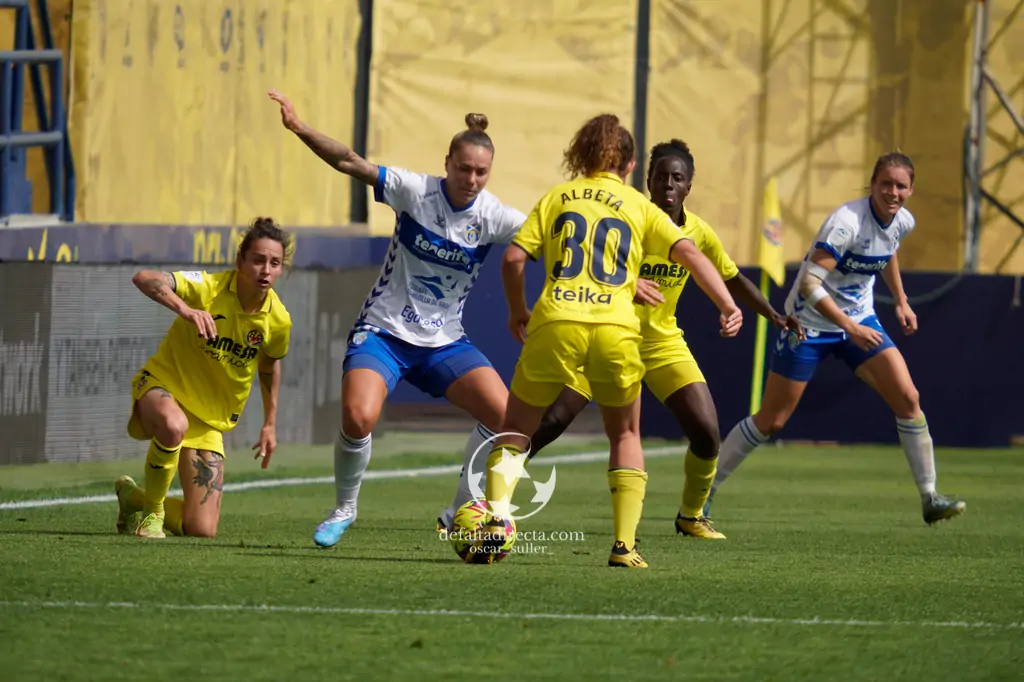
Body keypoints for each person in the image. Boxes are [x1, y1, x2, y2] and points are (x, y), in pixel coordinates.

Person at [473, 115, 743, 569]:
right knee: (625, 432)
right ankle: (623, 546)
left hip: (557, 319)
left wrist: (518, 310)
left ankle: (496, 520)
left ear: (579, 152)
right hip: (617, 329)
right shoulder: (638, 205)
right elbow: (691, 253)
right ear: (632, 162)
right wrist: (726, 305)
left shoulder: (557, 197)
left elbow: (515, 258)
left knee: (516, 429)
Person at [268, 91, 527, 548]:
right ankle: (344, 508)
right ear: (447, 162)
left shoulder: (494, 216)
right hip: (384, 332)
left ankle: (461, 508)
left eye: (481, 172)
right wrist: (300, 128)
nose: (471, 179)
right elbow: (350, 161)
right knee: (357, 415)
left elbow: (560, 231)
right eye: (463, 168)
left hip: (445, 342)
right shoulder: (414, 191)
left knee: (507, 418)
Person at [513, 139, 804, 541]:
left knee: (706, 432)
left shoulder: (698, 233)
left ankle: (692, 515)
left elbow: (730, 277)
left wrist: (771, 315)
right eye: (661, 176)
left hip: (660, 342)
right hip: (606, 332)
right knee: (552, 421)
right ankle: (484, 498)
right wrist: (628, 283)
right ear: (646, 180)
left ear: (688, 187)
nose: (668, 184)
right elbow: (591, 262)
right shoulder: (628, 215)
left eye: (677, 178)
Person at [706, 151, 966, 525]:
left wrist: (902, 302)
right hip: (808, 322)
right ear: (873, 184)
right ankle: (706, 491)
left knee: (908, 398)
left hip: (859, 319)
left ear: (911, 190)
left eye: (901, 186)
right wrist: (850, 327)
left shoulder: (902, 221)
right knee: (772, 420)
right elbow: (811, 284)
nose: (893, 192)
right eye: (886, 184)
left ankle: (929, 498)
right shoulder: (846, 223)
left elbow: (887, 251)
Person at [114, 217, 294, 539]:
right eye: (258, 260)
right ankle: (152, 514)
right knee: (173, 425)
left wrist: (269, 423)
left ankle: (133, 499)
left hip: (210, 417)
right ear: (240, 261)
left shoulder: (277, 320)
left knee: (202, 529)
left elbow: (268, 365)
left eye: (275, 263)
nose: (266, 270)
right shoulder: (207, 287)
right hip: (163, 386)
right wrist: (186, 310)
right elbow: (144, 278)